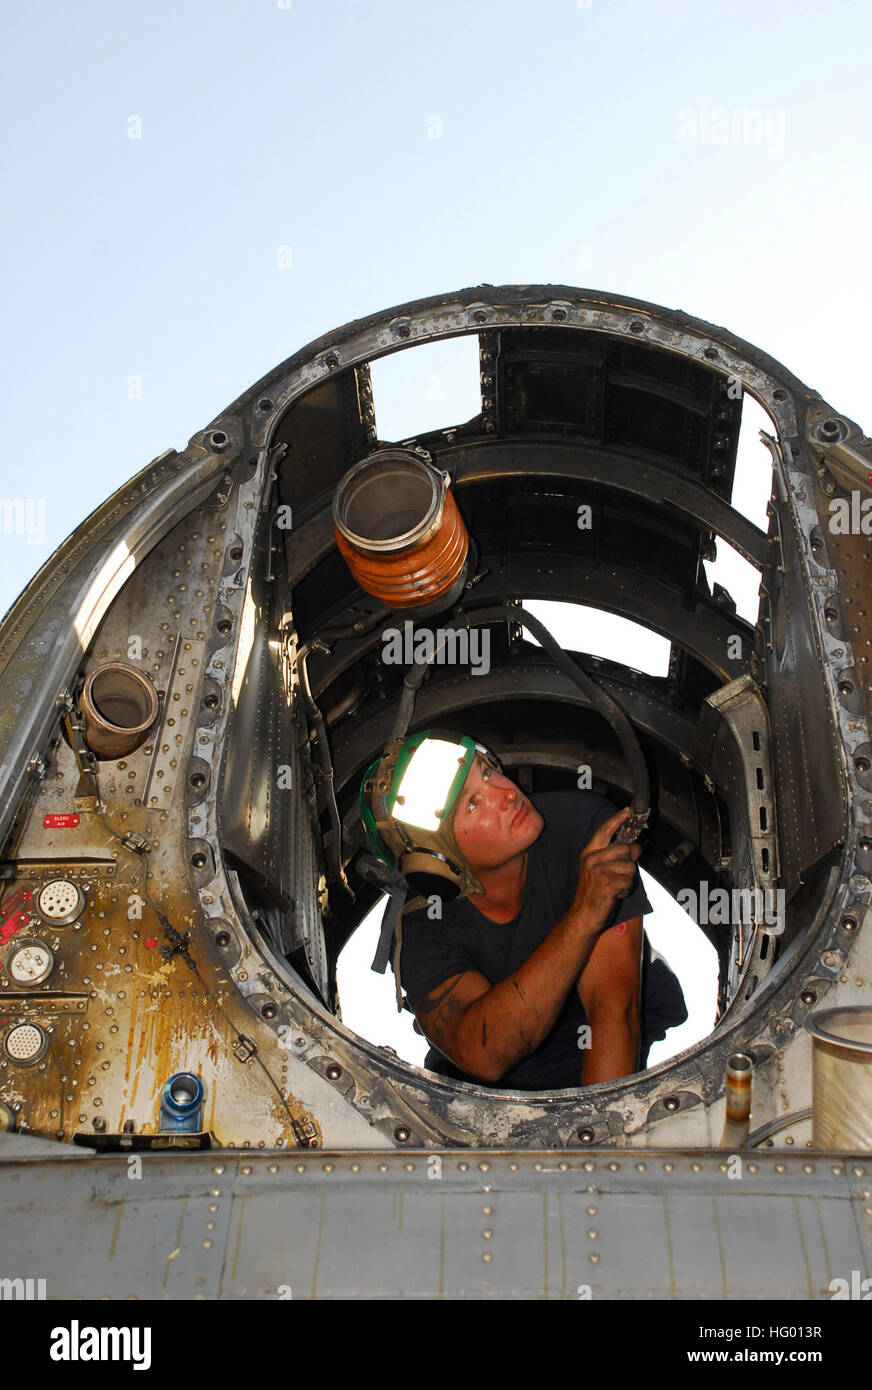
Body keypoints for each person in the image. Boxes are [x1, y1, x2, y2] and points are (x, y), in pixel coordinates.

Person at [361, 732, 686, 1089]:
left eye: (488, 773)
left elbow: (612, 1009)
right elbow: (484, 1054)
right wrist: (584, 916)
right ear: (437, 862)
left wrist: (602, 1136)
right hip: (485, 1101)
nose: (507, 793)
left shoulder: (583, 830)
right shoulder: (423, 927)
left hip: (593, 1066)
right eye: (472, 804)